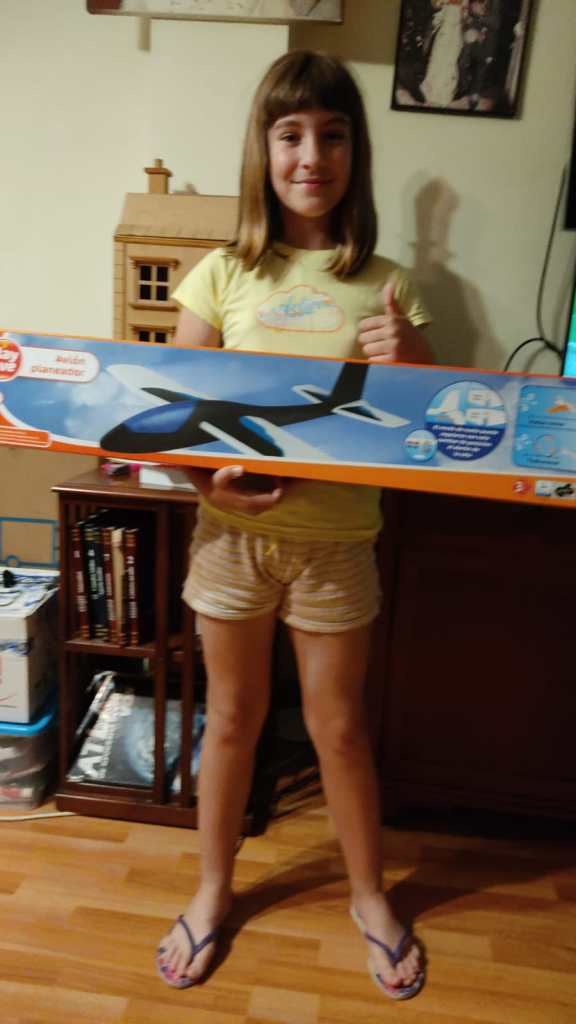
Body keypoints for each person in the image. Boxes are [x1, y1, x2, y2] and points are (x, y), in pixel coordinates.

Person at [156, 49, 433, 1001]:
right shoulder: (221, 274)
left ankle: (369, 895)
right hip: (231, 540)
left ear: (356, 151)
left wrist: (415, 357)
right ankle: (212, 887)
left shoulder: (390, 283)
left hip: (339, 542)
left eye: (332, 135)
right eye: (291, 135)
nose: (312, 156)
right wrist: (212, 488)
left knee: (340, 730)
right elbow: (176, 421)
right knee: (232, 718)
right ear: (264, 151)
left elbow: (430, 428)